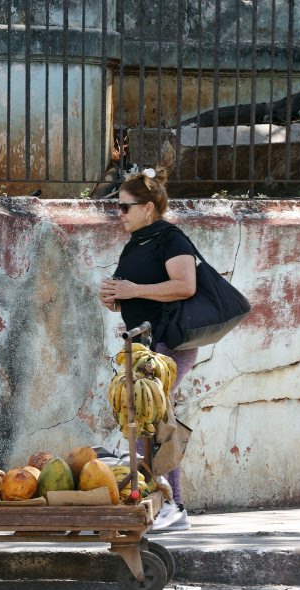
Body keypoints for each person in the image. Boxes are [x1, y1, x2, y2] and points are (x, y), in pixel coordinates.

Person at [99, 166, 198, 533]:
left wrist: (132, 290)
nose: (120, 213)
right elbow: (133, 293)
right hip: (142, 345)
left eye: (125, 207)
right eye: (119, 207)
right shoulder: (137, 243)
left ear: (149, 207)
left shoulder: (171, 239)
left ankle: (174, 504)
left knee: (155, 421)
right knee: (146, 421)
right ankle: (157, 500)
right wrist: (114, 298)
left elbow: (185, 285)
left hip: (170, 342)